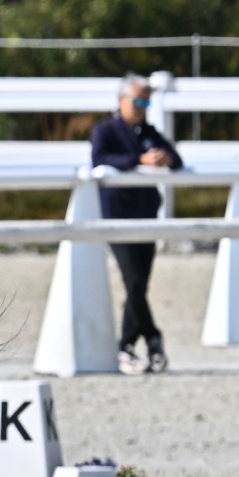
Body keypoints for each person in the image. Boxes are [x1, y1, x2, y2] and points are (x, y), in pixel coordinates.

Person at [88, 75, 184, 373]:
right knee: (134, 282)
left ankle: (133, 344)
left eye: (146, 102)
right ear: (122, 100)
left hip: (146, 214)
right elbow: (100, 158)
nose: (143, 107)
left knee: (139, 284)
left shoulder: (149, 132)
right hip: (118, 215)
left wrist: (165, 158)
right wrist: (138, 159)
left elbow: (177, 158)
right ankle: (146, 340)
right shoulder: (105, 130)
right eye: (138, 101)